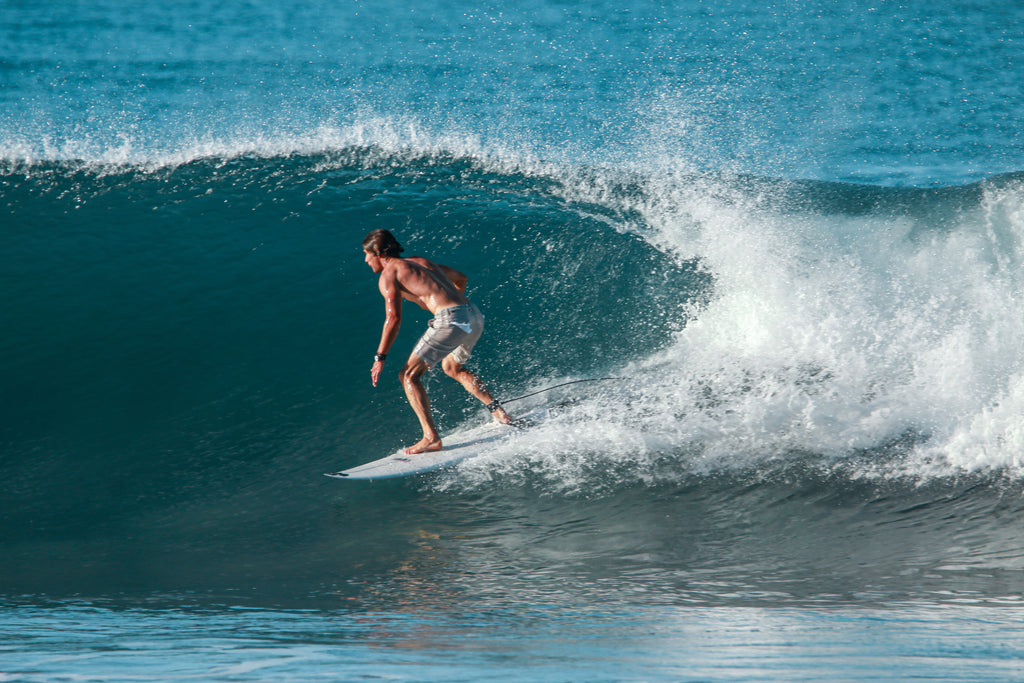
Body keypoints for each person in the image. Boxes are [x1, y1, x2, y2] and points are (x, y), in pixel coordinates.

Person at [363, 229, 512, 454]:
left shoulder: (389, 275)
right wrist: (457, 308)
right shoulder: (421, 262)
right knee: (452, 367)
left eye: (367, 254)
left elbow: (393, 318)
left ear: (378, 253)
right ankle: (498, 411)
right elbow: (462, 278)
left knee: (408, 375)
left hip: (452, 320)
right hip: (473, 314)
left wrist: (380, 357)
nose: (366, 260)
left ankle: (431, 438)